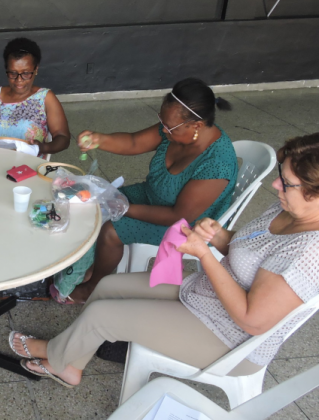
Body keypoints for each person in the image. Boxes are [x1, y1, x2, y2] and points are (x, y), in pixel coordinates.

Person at [8, 132, 319, 389]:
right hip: (207, 296)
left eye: (287, 183)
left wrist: (203, 255)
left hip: (228, 338)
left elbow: (253, 320)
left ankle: (62, 360)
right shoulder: (293, 208)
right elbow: (254, 247)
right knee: (107, 284)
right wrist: (221, 237)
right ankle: (73, 357)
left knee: (100, 314)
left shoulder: (313, 252)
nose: (275, 184)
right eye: (281, 174)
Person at [63, 78, 237, 304]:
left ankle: (93, 288)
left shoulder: (216, 163)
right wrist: (99, 139)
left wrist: (126, 209)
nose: (164, 130)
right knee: (96, 200)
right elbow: (135, 142)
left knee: (111, 229)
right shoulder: (174, 128)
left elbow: (178, 216)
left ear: (197, 126)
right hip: (156, 196)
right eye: (161, 122)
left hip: (187, 226)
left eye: (169, 127)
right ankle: (96, 262)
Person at [0, 37, 71, 158]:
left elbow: (63, 138)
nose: (19, 80)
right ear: (6, 70)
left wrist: (42, 147)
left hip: (28, 168)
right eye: (13, 73)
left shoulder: (45, 98)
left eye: (26, 73)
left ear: (36, 69)